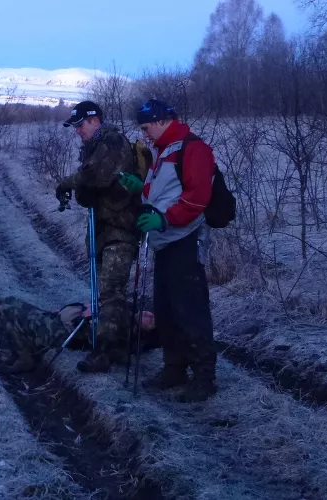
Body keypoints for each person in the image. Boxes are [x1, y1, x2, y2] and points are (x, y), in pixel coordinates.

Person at [120, 98, 218, 403]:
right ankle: (174, 368)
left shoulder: (193, 148)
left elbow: (197, 198)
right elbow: (162, 191)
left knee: (191, 310)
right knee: (166, 309)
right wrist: (141, 187)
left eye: (147, 127)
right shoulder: (164, 151)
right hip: (165, 241)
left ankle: (204, 377)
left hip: (184, 241)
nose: (146, 134)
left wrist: (164, 218)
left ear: (163, 120)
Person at [56, 100, 146, 373]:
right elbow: (89, 187)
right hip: (104, 228)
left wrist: (68, 182)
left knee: (109, 291)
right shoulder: (96, 146)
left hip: (119, 228)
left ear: (95, 120)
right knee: (107, 292)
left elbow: (94, 176)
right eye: (75, 126)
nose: (78, 131)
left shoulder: (112, 142)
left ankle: (104, 351)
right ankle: (117, 346)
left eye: (80, 124)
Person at [0, 295, 159, 373]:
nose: (149, 315)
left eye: (151, 322)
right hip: (55, 318)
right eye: (151, 313)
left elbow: (119, 350)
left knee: (6, 308)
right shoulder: (126, 309)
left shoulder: (125, 330)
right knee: (7, 301)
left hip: (62, 333)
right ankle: (24, 352)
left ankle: (24, 358)